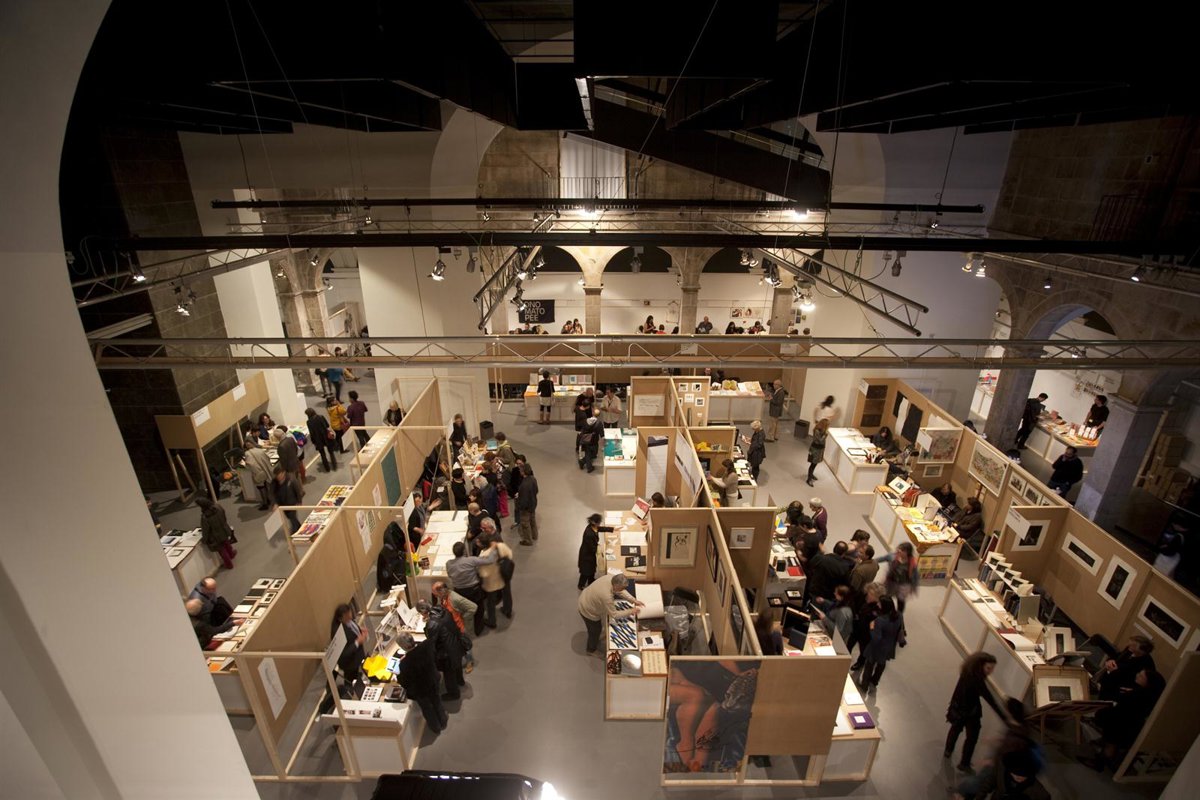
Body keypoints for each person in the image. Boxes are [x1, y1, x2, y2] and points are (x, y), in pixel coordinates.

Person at [1083, 667, 1165, 772]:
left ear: (1147, 683)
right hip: (1133, 726)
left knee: (1111, 742)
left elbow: (1120, 710)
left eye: (1141, 676)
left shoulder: (1134, 696)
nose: (1137, 675)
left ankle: (1100, 763)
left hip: (1121, 725)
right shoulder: (1149, 697)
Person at [945, 652, 1006, 771]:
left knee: (955, 730)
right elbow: (990, 699)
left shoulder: (967, 671)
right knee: (972, 737)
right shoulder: (977, 680)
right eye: (988, 668)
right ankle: (964, 763)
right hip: (970, 712)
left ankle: (948, 750)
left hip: (958, 708)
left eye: (992, 668)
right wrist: (1005, 718)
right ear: (980, 665)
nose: (991, 671)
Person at [395, 632, 447, 734]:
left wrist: (398, 675)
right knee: (437, 700)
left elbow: (404, 682)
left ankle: (436, 727)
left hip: (421, 690)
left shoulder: (404, 664)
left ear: (403, 647)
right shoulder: (426, 646)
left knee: (427, 709)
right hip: (433, 680)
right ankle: (443, 720)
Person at [578, 574, 643, 654]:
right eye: (621, 588)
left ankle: (594, 642)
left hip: (586, 596)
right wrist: (631, 611)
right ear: (615, 585)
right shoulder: (607, 596)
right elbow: (614, 615)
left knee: (597, 628)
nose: (623, 589)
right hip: (587, 610)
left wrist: (634, 600)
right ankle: (591, 650)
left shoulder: (611, 578)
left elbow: (621, 591)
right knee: (595, 631)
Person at [416, 598, 465, 701]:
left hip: (447, 653)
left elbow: (431, 641)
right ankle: (460, 681)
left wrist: (427, 625)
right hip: (456, 642)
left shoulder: (432, 624)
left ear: (423, 612)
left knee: (449, 674)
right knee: (457, 665)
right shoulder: (442, 609)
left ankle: (454, 694)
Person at [446, 541, 498, 636]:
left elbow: (450, 575)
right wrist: (494, 549)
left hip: (459, 591)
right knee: (479, 609)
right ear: (464, 551)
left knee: (464, 609)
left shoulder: (448, 564)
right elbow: (490, 560)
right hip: (473, 590)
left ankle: (465, 628)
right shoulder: (471, 560)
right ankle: (479, 628)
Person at [433, 580, 476, 674]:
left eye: (436, 594)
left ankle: (469, 662)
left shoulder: (456, 598)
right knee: (459, 644)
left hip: (461, 627)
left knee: (466, 645)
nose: (436, 597)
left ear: (442, 591)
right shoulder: (444, 597)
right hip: (453, 626)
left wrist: (464, 617)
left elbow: (473, 607)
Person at [860, 597, 902, 691]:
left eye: (879, 603)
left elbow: (876, 638)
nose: (877, 604)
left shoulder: (880, 620)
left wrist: (871, 627)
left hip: (877, 648)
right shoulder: (898, 616)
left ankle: (864, 685)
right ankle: (875, 681)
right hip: (889, 645)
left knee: (869, 665)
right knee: (881, 664)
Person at [1097, 635, 1156, 701]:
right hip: (1110, 681)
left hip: (1119, 690)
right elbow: (1117, 657)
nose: (1129, 646)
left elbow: (1132, 679)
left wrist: (1115, 671)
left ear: (1141, 650)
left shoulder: (1146, 664)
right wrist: (1110, 661)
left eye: (1133, 645)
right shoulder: (1129, 650)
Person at [477, 532, 514, 620]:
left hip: (492, 581)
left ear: (482, 544)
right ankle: (507, 610)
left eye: (478, 542)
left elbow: (483, 573)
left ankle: (492, 620)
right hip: (504, 576)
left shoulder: (483, 555)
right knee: (507, 594)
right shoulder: (500, 546)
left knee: (491, 601)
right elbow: (510, 554)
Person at [850, 583, 885, 669]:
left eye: (871, 594)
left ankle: (860, 663)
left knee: (863, 650)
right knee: (848, 645)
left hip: (866, 634)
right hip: (857, 628)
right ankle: (843, 659)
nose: (868, 595)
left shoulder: (879, 608)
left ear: (877, 597)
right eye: (868, 592)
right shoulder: (865, 600)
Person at [878, 541, 920, 615]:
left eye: (902, 550)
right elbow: (883, 558)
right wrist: (871, 560)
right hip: (891, 582)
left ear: (908, 552)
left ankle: (899, 615)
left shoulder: (912, 563)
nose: (899, 551)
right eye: (899, 548)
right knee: (886, 597)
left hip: (903, 585)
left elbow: (915, 576)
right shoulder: (893, 556)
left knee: (901, 601)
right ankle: (885, 612)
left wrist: (913, 588)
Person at [196, 496, 237, 569]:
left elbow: (205, 530)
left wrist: (204, 540)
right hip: (224, 529)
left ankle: (229, 564)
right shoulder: (218, 507)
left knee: (222, 550)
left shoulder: (205, 517)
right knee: (226, 542)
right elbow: (224, 516)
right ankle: (231, 554)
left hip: (216, 536)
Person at [330, 603, 367, 683]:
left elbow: (352, 626)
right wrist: (357, 642)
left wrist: (359, 630)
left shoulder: (347, 620)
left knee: (357, 675)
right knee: (351, 680)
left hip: (356, 657)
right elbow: (343, 653)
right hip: (349, 663)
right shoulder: (338, 632)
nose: (350, 617)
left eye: (350, 613)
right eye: (347, 616)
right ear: (340, 619)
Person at [269, 465, 303, 533]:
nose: (278, 477)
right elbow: (271, 493)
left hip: (291, 502)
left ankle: (295, 532)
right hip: (282, 503)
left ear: (283, 473)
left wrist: (299, 501)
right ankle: (299, 527)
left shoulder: (291, 479)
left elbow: (297, 490)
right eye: (277, 476)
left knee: (292, 517)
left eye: (279, 475)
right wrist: (274, 503)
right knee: (289, 517)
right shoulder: (274, 482)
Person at [242, 438, 273, 510]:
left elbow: (250, 464)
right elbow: (267, 458)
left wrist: (246, 465)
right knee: (266, 486)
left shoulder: (247, 453)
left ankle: (265, 503)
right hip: (265, 470)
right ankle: (269, 499)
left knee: (261, 488)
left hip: (258, 472)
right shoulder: (259, 450)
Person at [305, 406, 337, 472]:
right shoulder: (321, 417)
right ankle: (334, 465)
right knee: (331, 452)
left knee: (322, 454)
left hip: (318, 439)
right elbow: (327, 425)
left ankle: (327, 468)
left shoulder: (308, 422)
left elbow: (312, 432)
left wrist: (313, 441)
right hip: (326, 436)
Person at [514, 463, 539, 546]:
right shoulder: (533, 479)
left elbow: (523, 500)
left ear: (523, 472)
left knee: (525, 524)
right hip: (533, 504)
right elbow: (536, 490)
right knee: (532, 520)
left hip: (526, 508)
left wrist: (519, 506)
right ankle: (534, 535)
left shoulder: (524, 485)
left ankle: (528, 540)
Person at [579, 513, 601, 590]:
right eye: (598, 523)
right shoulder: (589, 534)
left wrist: (612, 529)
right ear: (594, 522)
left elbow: (600, 529)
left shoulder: (593, 527)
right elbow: (593, 548)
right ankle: (581, 585)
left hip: (590, 555)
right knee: (585, 572)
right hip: (586, 556)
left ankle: (591, 580)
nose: (599, 524)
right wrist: (601, 550)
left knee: (592, 569)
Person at [807, 419, 829, 486]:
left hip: (819, 449)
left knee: (815, 463)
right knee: (813, 464)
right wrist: (825, 436)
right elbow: (820, 440)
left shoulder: (822, 431)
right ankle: (809, 479)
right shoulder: (817, 430)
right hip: (815, 449)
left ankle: (811, 474)